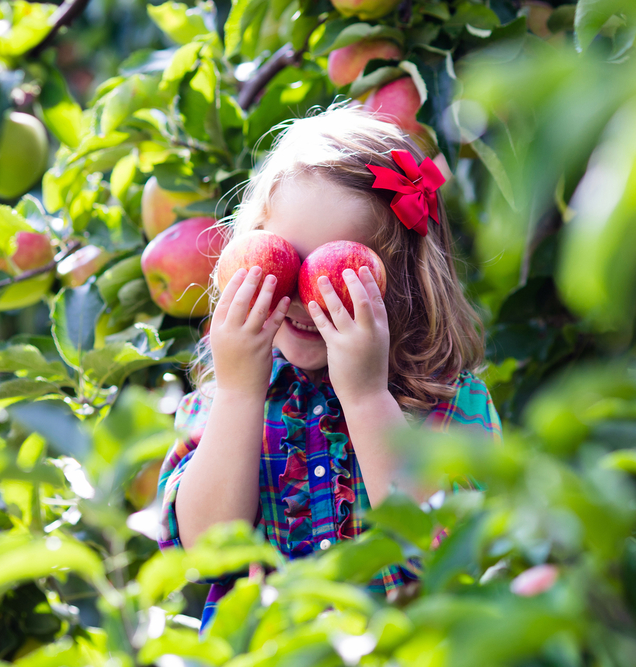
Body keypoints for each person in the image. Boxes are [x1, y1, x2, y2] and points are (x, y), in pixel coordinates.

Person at [156, 106, 502, 629]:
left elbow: (449, 550)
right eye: (282, 260)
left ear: (403, 281)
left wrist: (366, 399)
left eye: (335, 268)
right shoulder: (222, 399)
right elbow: (206, 551)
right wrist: (239, 395)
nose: (301, 295)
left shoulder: (452, 402)